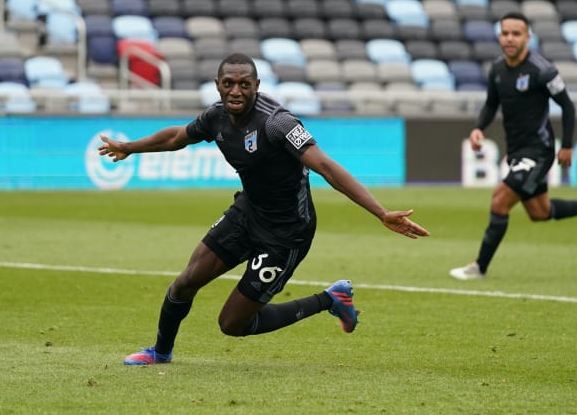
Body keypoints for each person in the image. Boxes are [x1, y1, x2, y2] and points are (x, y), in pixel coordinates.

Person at [98, 52, 430, 365]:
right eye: (228, 83)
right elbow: (177, 137)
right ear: (218, 85)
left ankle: (331, 299)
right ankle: (160, 352)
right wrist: (129, 147)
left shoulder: (278, 124)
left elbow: (326, 166)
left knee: (232, 324)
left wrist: (381, 212)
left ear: (257, 86)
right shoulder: (215, 117)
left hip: (286, 233)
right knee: (185, 282)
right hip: (247, 214)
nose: (236, 90)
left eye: (245, 84)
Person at [449, 12, 577, 281]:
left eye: (516, 33)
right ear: (499, 36)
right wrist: (478, 128)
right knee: (539, 212)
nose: (509, 38)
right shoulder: (497, 69)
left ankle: (479, 267)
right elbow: (491, 104)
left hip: (539, 151)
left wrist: (567, 145)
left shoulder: (542, 71)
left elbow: (567, 106)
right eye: (505, 33)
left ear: (527, 37)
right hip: (517, 151)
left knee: (500, 199)